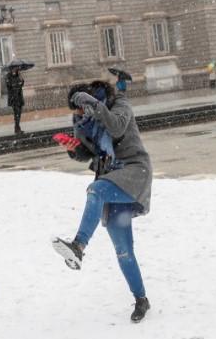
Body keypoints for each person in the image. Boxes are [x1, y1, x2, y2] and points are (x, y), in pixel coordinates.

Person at [52, 80, 153, 323]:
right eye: (75, 110)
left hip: (132, 171)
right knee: (123, 251)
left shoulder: (120, 105)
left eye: (80, 108)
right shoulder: (84, 119)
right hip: (111, 178)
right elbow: (89, 153)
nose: (78, 114)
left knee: (95, 191)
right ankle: (141, 299)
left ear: (91, 99)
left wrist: (92, 104)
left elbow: (117, 128)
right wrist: (73, 148)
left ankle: (78, 246)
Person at [5, 66, 25, 135]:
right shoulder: (8, 76)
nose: (16, 69)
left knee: (19, 114)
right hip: (13, 98)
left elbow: (21, 84)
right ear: (12, 69)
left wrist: (21, 78)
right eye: (15, 68)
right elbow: (9, 85)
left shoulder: (18, 75)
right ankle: (17, 128)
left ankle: (17, 128)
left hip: (19, 97)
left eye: (17, 68)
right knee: (16, 113)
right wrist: (16, 85)